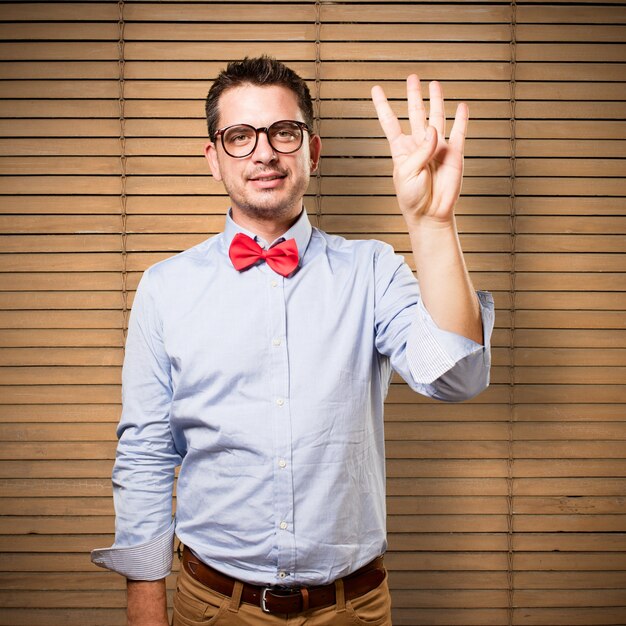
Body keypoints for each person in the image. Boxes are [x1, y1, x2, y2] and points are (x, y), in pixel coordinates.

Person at [91, 56, 494, 626]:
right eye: (239, 136)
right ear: (213, 159)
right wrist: (146, 609)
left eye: (284, 131)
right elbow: (147, 454)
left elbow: (459, 379)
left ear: (312, 149)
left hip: (353, 608)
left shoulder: (373, 270)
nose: (263, 152)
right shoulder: (165, 288)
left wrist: (432, 224)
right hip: (212, 607)